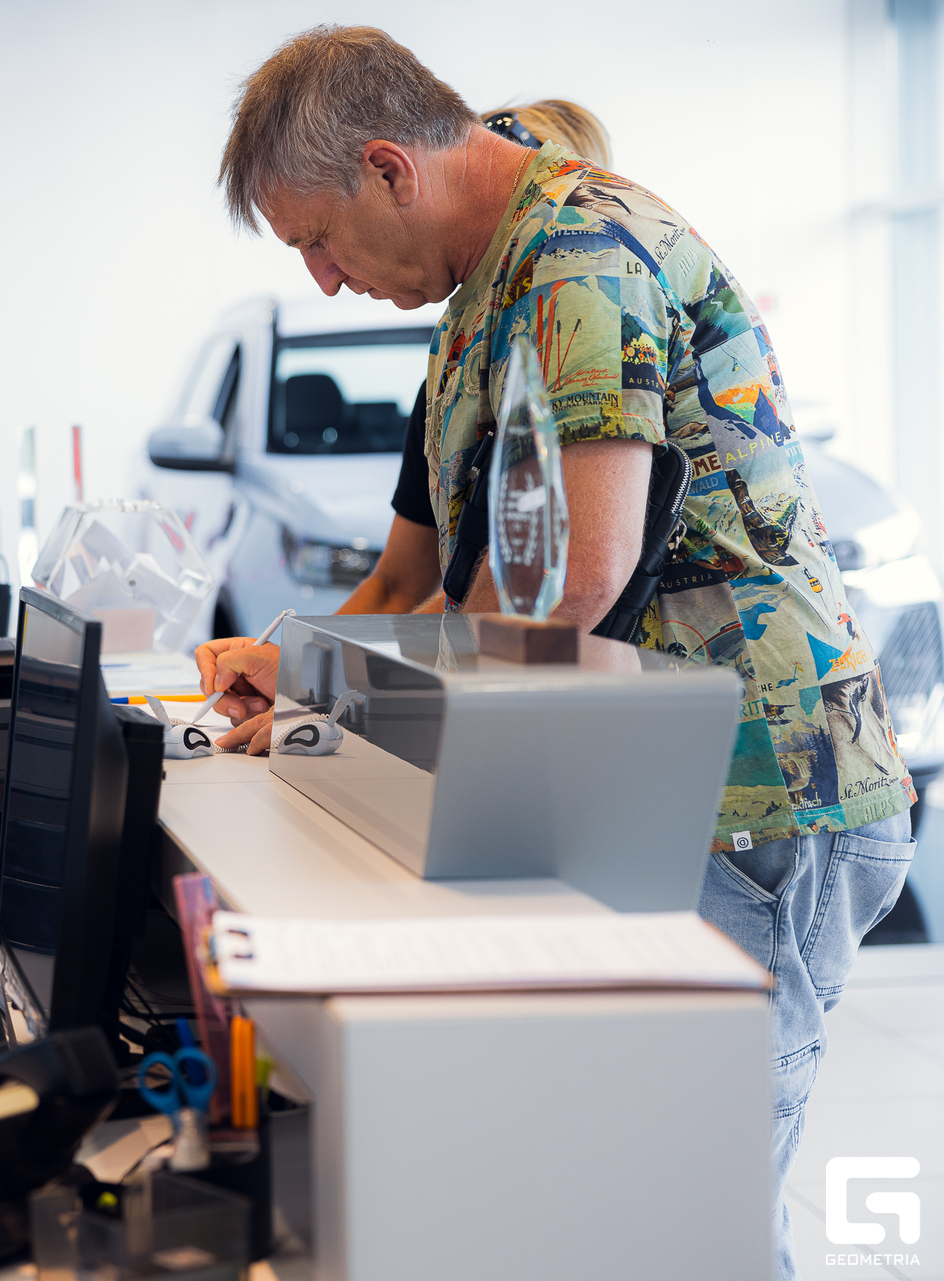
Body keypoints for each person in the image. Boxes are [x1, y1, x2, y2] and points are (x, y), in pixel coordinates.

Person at [202, 28, 914, 1278]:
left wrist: (327, 704)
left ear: (388, 169)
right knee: (623, 1202)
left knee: (692, 1217)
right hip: (645, 784)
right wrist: (309, 683)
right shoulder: (487, 290)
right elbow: (469, 583)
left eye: (317, 239)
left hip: (754, 794)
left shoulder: (580, 254)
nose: (322, 279)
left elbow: (569, 583)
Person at [352, 99, 613, 617]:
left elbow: (570, 580)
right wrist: (294, 657)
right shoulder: (450, 384)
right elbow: (400, 586)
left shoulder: (602, 346)